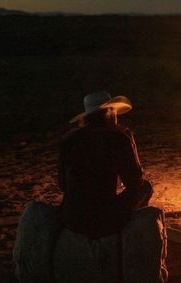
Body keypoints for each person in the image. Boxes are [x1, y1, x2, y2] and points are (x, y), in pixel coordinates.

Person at [58, 90, 153, 239]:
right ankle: (129, 234)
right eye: (114, 111)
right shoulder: (117, 138)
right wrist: (130, 142)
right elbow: (135, 181)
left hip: (71, 218)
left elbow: (62, 185)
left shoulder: (69, 139)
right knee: (145, 187)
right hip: (103, 220)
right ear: (109, 112)